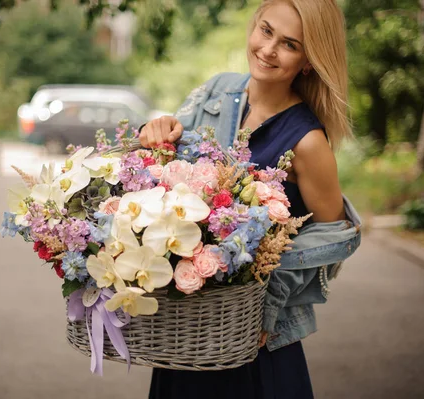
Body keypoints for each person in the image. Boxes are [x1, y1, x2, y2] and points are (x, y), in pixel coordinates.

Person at [139, 0, 360, 398]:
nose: (269, 49)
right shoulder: (216, 91)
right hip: (184, 333)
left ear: (308, 60)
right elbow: (163, 160)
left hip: (253, 339)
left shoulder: (307, 141)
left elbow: (338, 235)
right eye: (266, 30)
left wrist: (267, 291)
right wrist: (156, 128)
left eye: (290, 44)